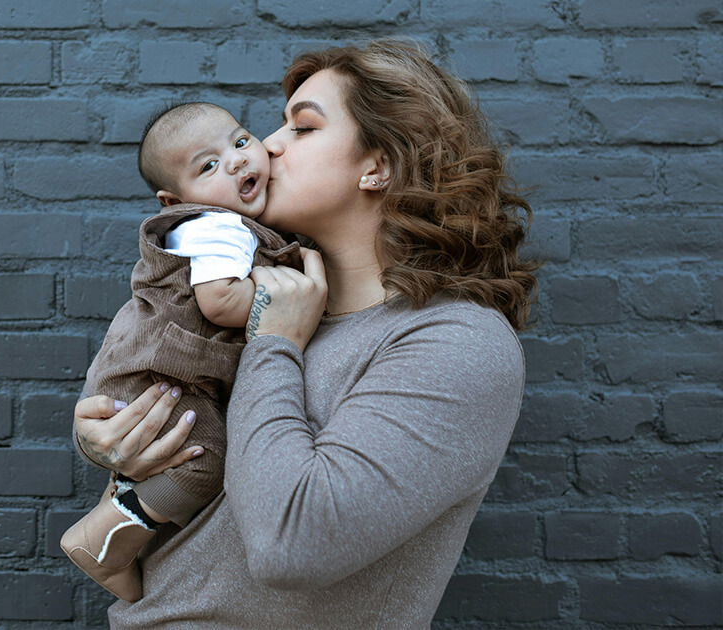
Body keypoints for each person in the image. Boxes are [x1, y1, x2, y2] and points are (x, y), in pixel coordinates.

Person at [72, 38, 540, 628]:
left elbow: (293, 542)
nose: (267, 145)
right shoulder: (258, 308)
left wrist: (274, 344)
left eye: (304, 127)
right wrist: (115, 442)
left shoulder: (457, 342)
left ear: (380, 166)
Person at [61, 102, 303, 602]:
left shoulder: (221, 227)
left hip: (160, 371)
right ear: (175, 200)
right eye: (209, 165)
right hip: (168, 377)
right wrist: (288, 294)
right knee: (202, 460)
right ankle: (103, 543)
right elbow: (220, 301)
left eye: (239, 142)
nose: (237, 161)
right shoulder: (219, 227)